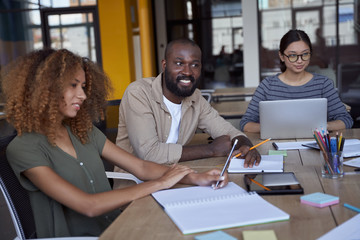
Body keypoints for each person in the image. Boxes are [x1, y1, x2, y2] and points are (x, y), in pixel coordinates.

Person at [1, 49, 229, 238]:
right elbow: (88, 206)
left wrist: (194, 177)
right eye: (73, 85)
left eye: (83, 86)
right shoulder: (23, 148)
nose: (82, 95)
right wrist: (160, 183)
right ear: (44, 89)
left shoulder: (83, 132)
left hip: (117, 226)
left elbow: (140, 167)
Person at [116, 38, 261, 170]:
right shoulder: (139, 93)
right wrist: (210, 150)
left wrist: (245, 145)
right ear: (165, 65)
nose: (187, 71)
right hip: (136, 187)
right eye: (179, 63)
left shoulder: (195, 97)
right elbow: (149, 153)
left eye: (194, 65)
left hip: (174, 178)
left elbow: (226, 131)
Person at [240, 29, 353, 132]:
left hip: (316, 144)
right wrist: (273, 128)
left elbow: (346, 120)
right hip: (276, 145)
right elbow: (245, 123)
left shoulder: (323, 84)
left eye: (305, 54)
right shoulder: (267, 86)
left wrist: (323, 126)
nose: (300, 61)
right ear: (282, 56)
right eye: (293, 55)